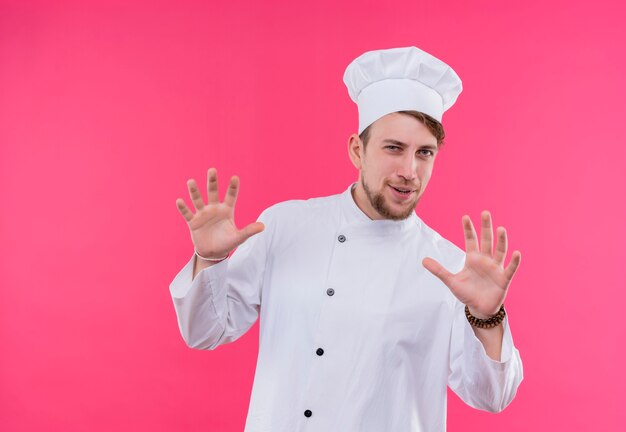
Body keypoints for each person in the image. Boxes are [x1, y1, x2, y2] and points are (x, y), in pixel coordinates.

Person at [169, 46, 523, 432]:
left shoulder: (451, 270)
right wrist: (209, 260)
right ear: (358, 150)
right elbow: (204, 331)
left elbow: (491, 398)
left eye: (425, 153)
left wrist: (487, 319)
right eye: (394, 148)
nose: (410, 170)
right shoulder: (286, 226)